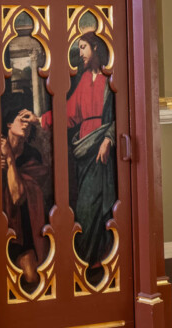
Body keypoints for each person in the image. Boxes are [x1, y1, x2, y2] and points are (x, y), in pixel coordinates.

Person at [67, 31, 116, 277]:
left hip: (102, 151)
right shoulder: (84, 79)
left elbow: (124, 113)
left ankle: (96, 261)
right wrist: (39, 119)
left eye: (83, 46)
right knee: (85, 208)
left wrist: (108, 138)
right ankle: (87, 263)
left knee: (95, 206)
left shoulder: (110, 78)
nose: (80, 53)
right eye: (78, 47)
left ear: (96, 47)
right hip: (84, 150)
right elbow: (69, 115)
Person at [0, 105, 51, 290]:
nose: (25, 124)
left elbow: (18, 196)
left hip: (24, 229)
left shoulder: (31, 155)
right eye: (21, 119)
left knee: (33, 279)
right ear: (8, 123)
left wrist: (10, 159)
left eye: (28, 121)